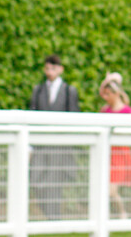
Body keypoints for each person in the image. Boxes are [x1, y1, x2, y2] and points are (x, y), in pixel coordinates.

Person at [29, 54, 80, 220]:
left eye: (53, 68)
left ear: (60, 69)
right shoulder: (38, 90)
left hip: (59, 146)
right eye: (47, 68)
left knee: (55, 184)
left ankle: (54, 219)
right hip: (41, 145)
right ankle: (49, 215)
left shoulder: (68, 91)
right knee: (36, 181)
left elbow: (74, 117)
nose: (50, 71)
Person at [99, 72, 131, 219]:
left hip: (119, 154)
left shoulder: (127, 111)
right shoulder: (105, 110)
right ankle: (115, 214)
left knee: (111, 190)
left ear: (115, 94)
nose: (105, 97)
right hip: (106, 153)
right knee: (105, 187)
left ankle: (121, 214)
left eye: (108, 94)